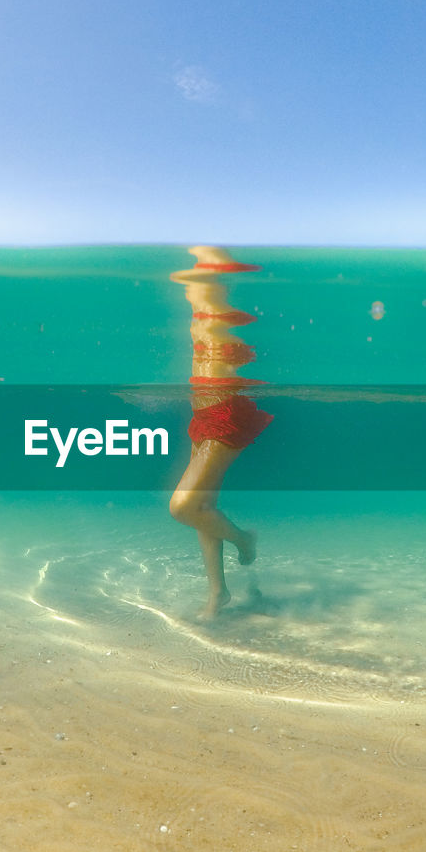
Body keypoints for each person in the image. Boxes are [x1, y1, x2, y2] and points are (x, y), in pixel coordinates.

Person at [167, 246, 273, 619]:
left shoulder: (214, 311)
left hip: (225, 414)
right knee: (202, 507)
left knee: (182, 506)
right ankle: (219, 593)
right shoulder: (204, 316)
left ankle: (244, 538)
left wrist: (205, 257)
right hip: (204, 413)